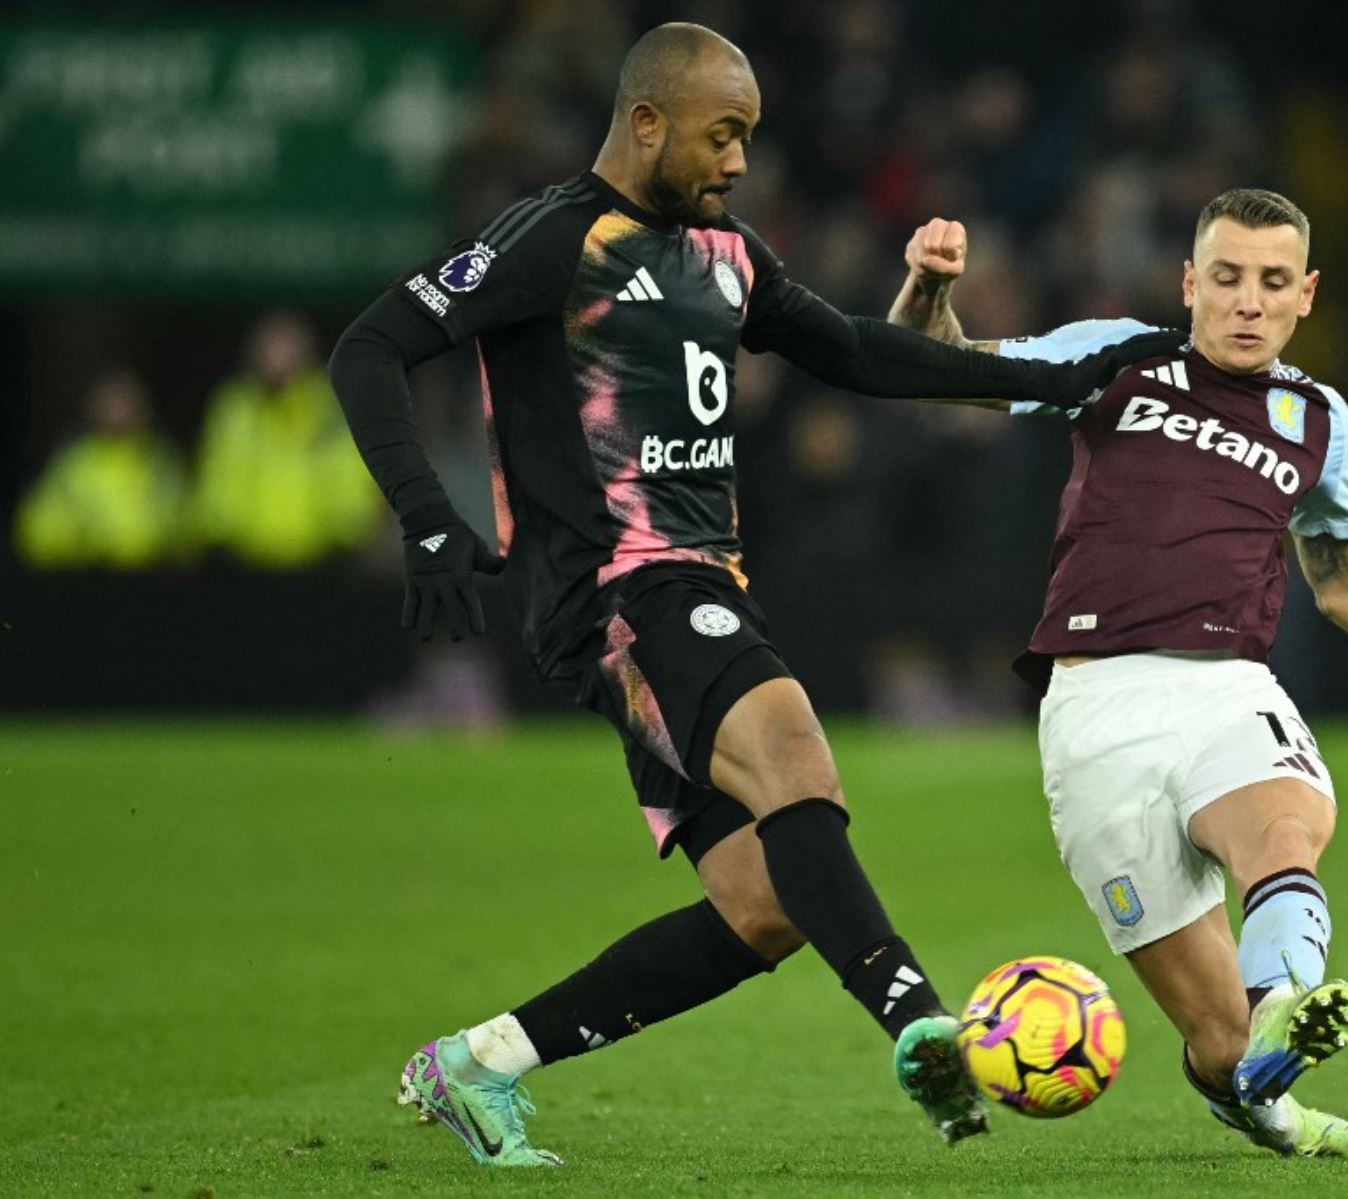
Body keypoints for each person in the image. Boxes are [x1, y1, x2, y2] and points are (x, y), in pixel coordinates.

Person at [328, 22, 1175, 1169]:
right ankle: (921, 1019)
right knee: (796, 756)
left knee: (763, 904)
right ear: (645, 121)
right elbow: (371, 347)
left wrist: (1052, 376)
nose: (737, 161)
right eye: (722, 135)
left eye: (749, 139)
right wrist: (429, 518)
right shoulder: (556, 236)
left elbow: (861, 353)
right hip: (619, 589)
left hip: (692, 588)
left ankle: (479, 1061)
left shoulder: (727, 251)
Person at [887, 192, 1348, 1157]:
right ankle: (1264, 1090)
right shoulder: (1117, 355)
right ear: (1190, 283)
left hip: (1226, 688)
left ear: (1306, 296)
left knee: (1286, 821)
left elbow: (1345, 581)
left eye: (1273, 282)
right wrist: (926, 291)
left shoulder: (1316, 418)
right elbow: (937, 373)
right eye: (1228, 277)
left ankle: (1289, 1005)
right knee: (1216, 1040)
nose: (1248, 301)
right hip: (1093, 709)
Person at [190, 312, 383, 569]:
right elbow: (217, 469)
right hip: (243, 557)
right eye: (269, 347)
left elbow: (351, 471)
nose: (277, 357)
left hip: (321, 557)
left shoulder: (331, 404)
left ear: (306, 351)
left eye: (286, 346)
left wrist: (350, 527)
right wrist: (216, 529)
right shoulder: (236, 405)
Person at [14, 370, 185, 570]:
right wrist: (80, 548)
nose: (120, 412)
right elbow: (37, 531)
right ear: (93, 410)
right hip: (92, 580)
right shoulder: (75, 465)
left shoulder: (161, 461)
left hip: (155, 580)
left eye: (127, 403)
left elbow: (187, 523)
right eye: (111, 405)